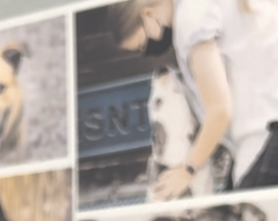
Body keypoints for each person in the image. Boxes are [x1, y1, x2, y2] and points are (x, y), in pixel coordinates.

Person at [108, 0, 278, 199]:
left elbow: (219, 110)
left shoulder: (190, 23)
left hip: (263, 135)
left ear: (148, 15)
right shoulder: (198, 8)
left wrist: (188, 169)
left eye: (142, 45)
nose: (146, 51)